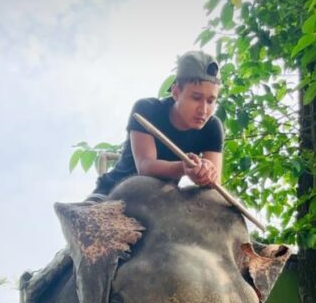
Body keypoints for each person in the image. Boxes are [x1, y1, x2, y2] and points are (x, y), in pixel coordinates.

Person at [93, 49, 223, 197]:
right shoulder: (147, 109)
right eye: (196, 97)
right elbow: (145, 166)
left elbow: (214, 185)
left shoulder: (212, 127)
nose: (204, 110)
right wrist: (184, 167)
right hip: (112, 192)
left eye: (211, 101)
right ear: (176, 92)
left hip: (159, 202)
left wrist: (207, 173)